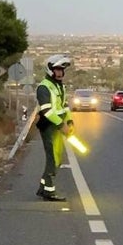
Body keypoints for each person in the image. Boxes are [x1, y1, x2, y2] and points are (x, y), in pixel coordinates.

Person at [35, 54, 74, 202]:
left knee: (57, 158)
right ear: (50, 69)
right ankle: (49, 192)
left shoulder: (60, 86)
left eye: (62, 70)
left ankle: (43, 188)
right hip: (49, 127)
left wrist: (70, 122)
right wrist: (60, 124)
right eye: (57, 69)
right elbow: (47, 110)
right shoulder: (44, 87)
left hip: (58, 128)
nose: (60, 72)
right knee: (52, 160)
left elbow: (64, 106)